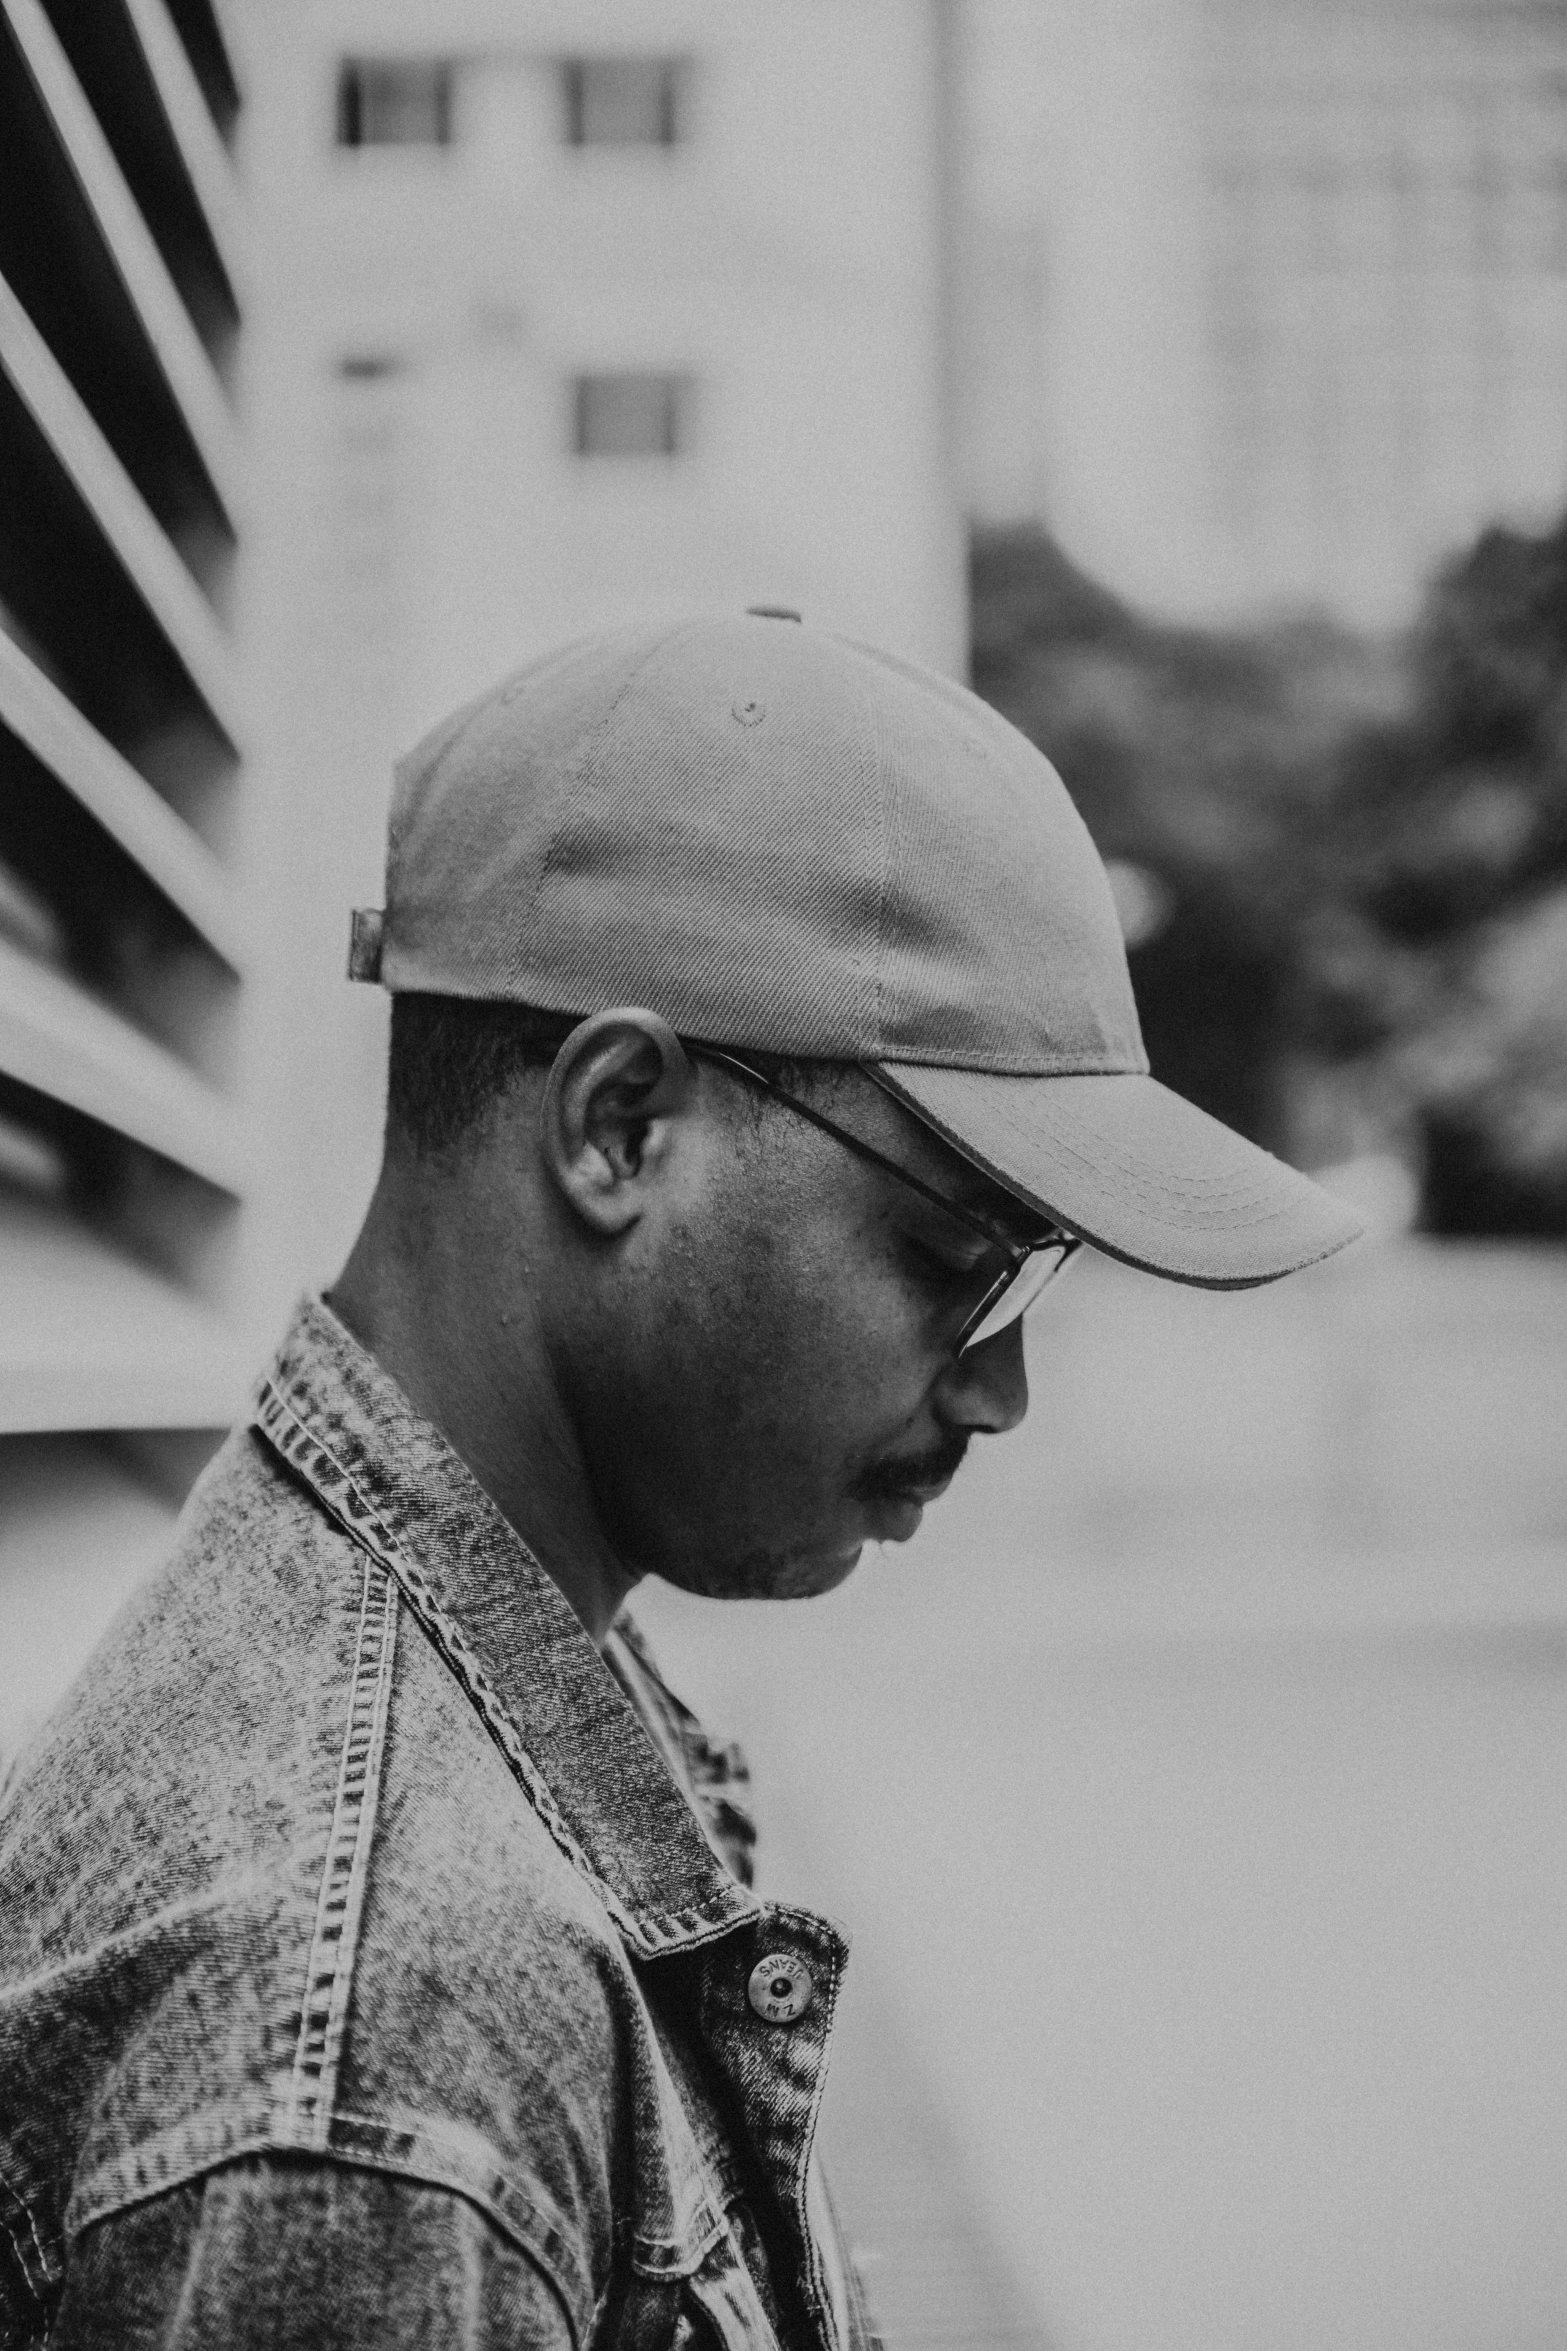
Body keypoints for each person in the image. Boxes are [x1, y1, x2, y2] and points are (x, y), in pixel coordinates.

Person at [0, 612, 1360, 2348]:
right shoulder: (369, 2054)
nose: (1003, 1388)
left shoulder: (466, 1726)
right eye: (957, 1251)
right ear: (620, 1122)